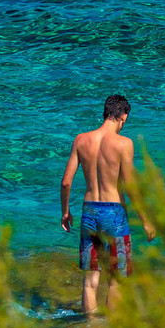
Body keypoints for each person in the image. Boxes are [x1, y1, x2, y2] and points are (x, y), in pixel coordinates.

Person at [59, 93, 151, 316]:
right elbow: (130, 186)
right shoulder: (124, 144)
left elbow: (66, 182)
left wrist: (65, 212)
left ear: (105, 114)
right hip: (114, 214)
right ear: (123, 117)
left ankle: (90, 326)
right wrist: (146, 221)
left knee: (90, 278)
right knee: (116, 278)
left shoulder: (81, 140)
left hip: (89, 212)